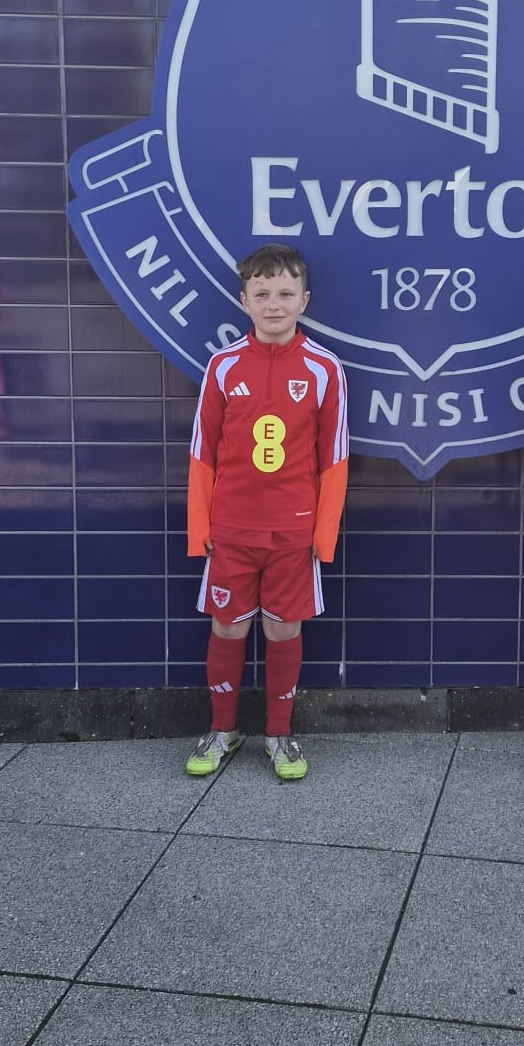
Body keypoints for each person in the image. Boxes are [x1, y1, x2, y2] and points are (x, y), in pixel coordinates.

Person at [184, 244, 348, 782]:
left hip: (293, 533)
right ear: (244, 300)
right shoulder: (223, 366)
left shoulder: (325, 369)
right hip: (231, 530)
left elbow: (335, 459)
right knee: (227, 627)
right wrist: (200, 528)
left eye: (284, 294)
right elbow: (202, 451)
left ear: (304, 300)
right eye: (262, 294)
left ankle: (280, 735)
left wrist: (322, 536)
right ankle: (222, 730)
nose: (273, 304)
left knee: (283, 631)